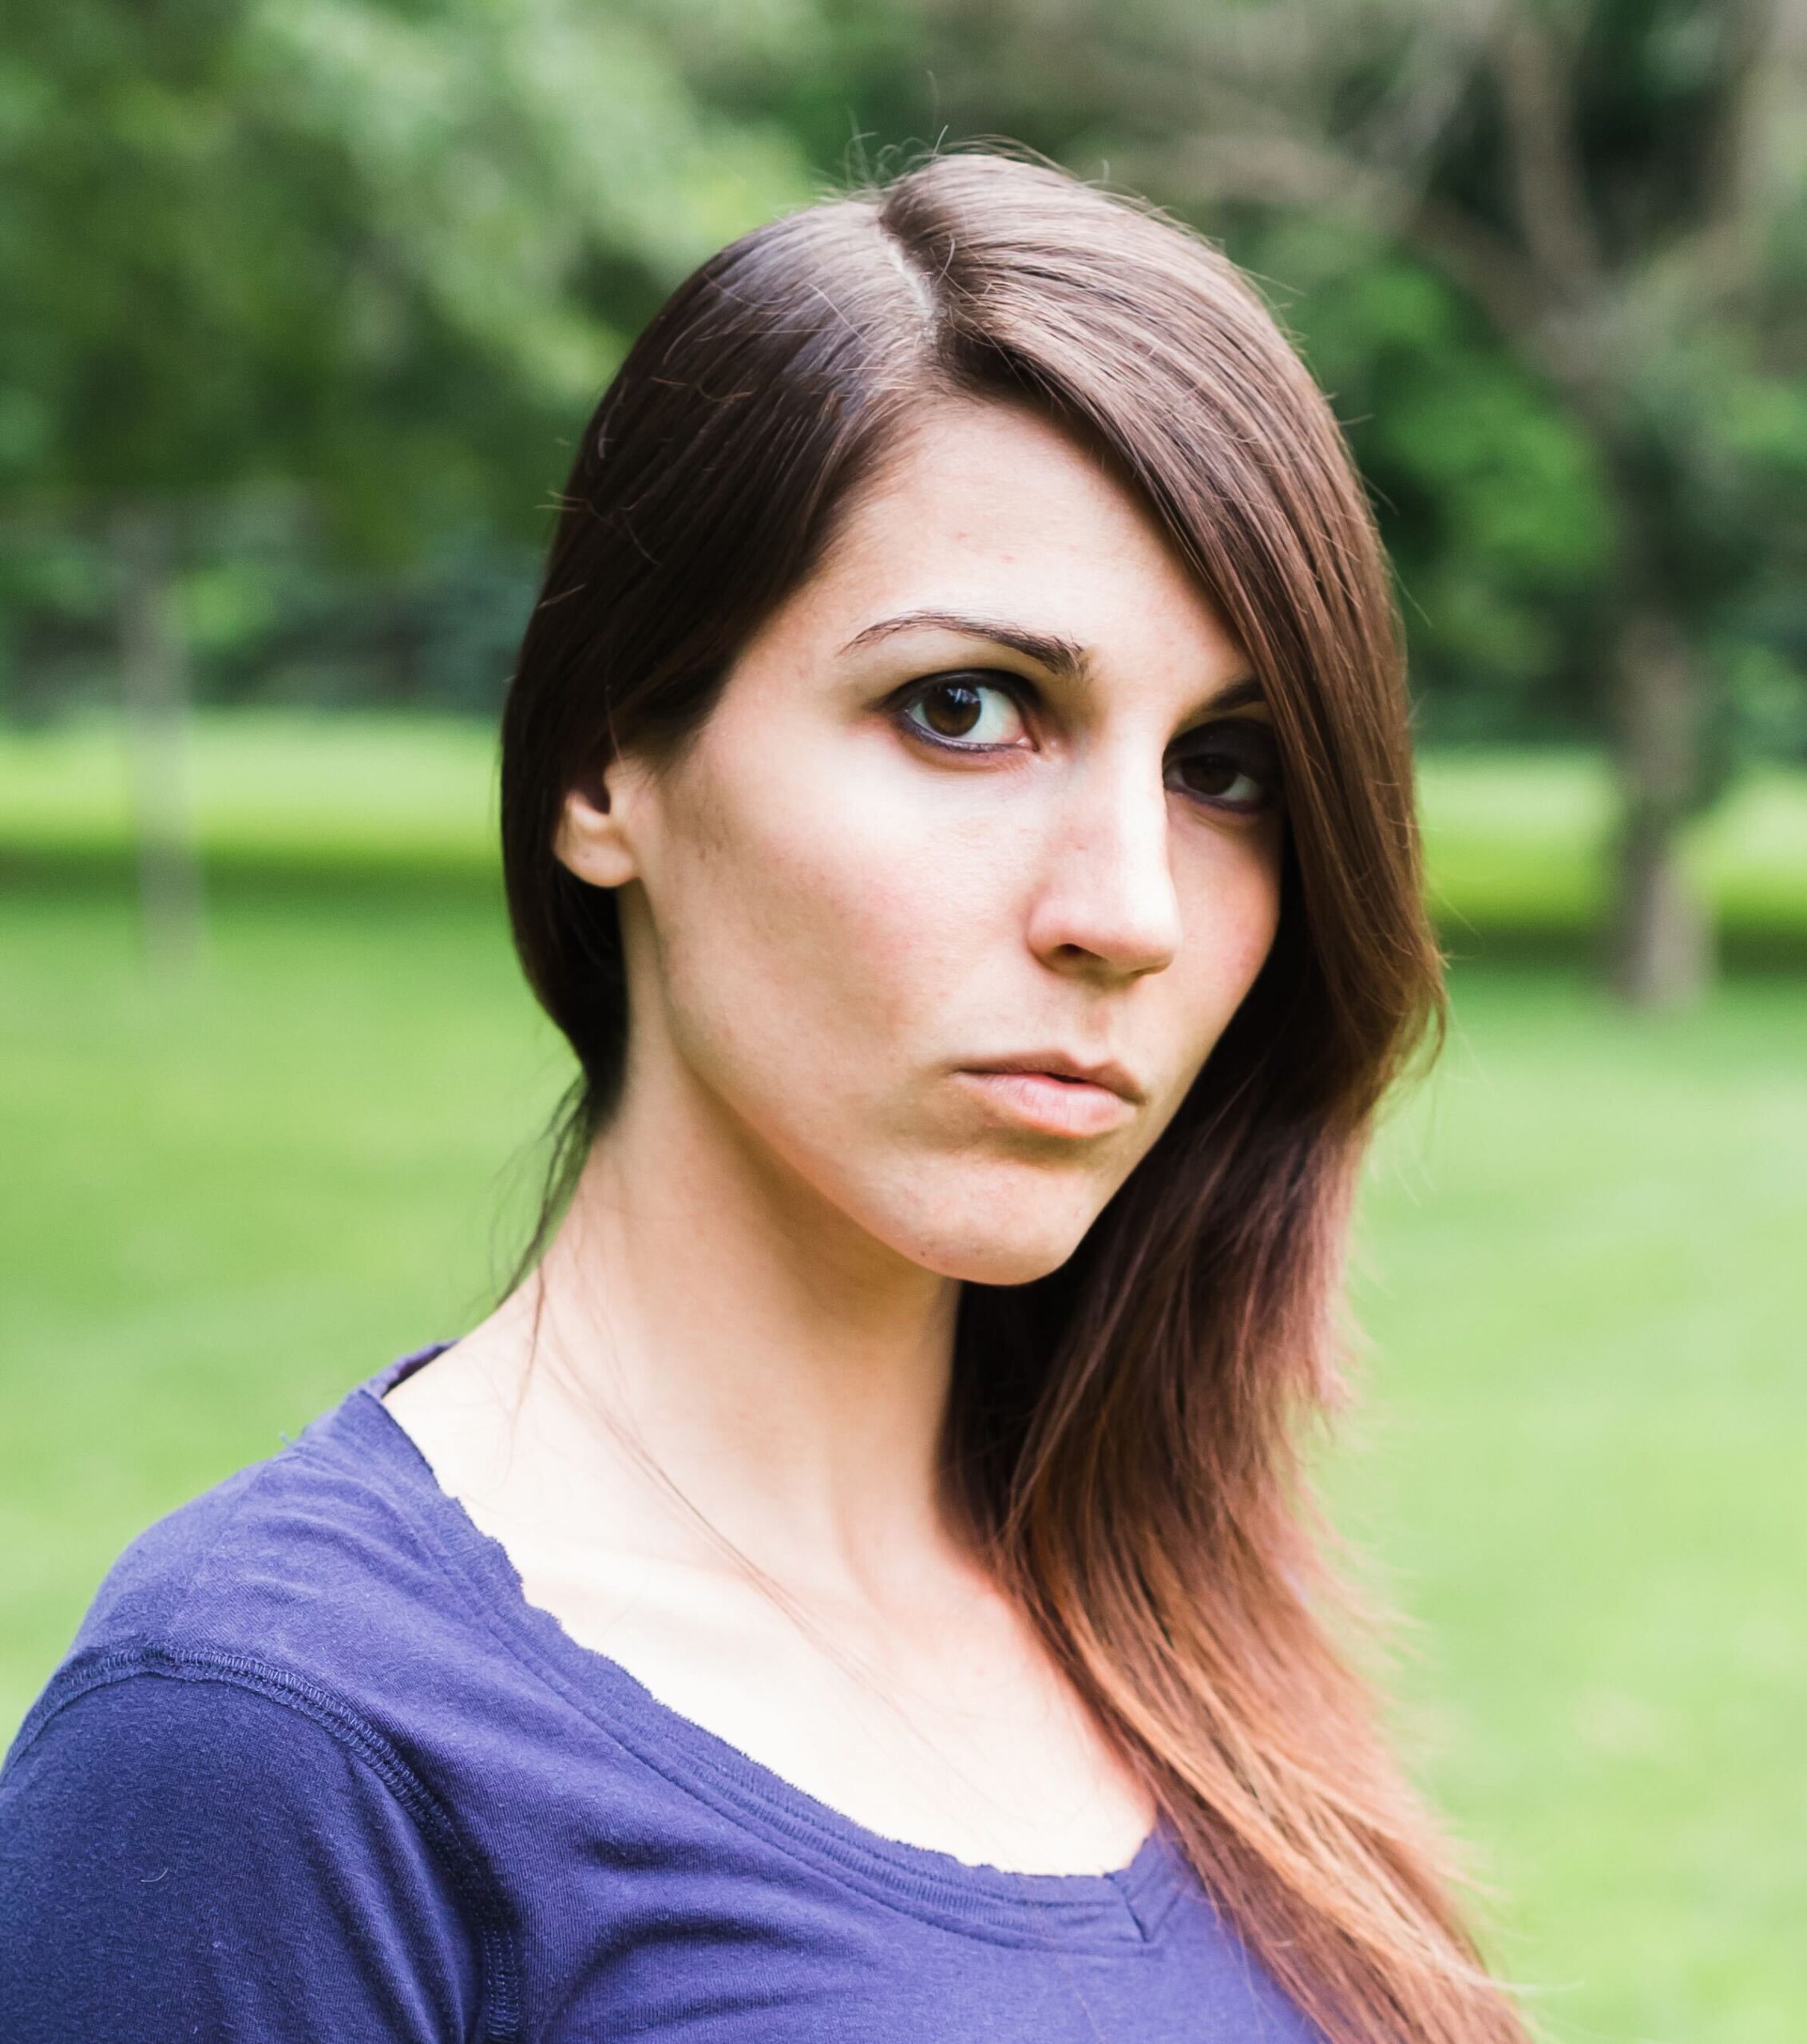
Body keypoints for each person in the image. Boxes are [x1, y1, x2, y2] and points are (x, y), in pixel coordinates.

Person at [0, 151, 1528, 2043]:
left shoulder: (1153, 1596)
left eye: (1225, 768)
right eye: (965, 708)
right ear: (602, 767)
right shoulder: (266, 1743)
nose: (1127, 910)